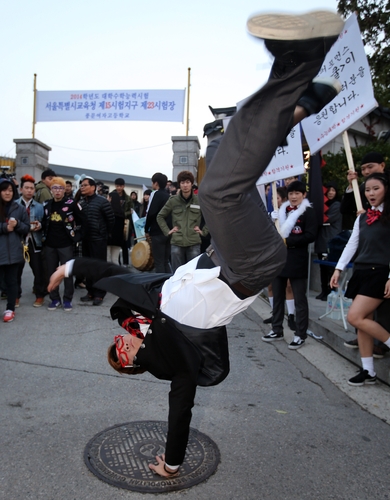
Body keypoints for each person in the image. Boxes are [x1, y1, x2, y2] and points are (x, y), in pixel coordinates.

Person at [48, 9, 344, 477]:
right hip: (246, 268)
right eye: (120, 357)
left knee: (219, 152)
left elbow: (112, 275)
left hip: (223, 253)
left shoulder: (148, 303)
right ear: (131, 366)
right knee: (219, 191)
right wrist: (172, 461)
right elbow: (180, 409)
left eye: (117, 346)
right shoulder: (171, 362)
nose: (120, 346)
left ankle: (299, 92)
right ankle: (303, 67)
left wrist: (67, 270)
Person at [330, 172, 390, 386]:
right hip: (361, 271)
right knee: (364, 323)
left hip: (380, 272)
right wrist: (338, 269)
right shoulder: (363, 217)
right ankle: (369, 371)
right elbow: (352, 244)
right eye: (367, 190)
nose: (371, 193)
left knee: (355, 317)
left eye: (376, 188)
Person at [262, 181, 318, 348]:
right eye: (291, 194)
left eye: (297, 194)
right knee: (277, 295)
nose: (294, 197)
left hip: (297, 259)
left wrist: (289, 241)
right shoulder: (281, 211)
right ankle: (276, 329)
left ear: (303, 195)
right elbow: (271, 234)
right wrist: (271, 221)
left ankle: (300, 334)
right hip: (279, 259)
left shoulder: (308, 212)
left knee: (300, 299)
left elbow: (310, 235)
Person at [42, 177, 84, 311]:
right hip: (50, 245)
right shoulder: (47, 204)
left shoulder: (71, 203)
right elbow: (44, 223)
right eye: (55, 188)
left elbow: (83, 220)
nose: (58, 191)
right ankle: (54, 299)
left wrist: (78, 236)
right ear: (51, 189)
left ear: (64, 189)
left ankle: (67, 299)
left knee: (67, 273)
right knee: (51, 273)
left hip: (66, 244)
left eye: (60, 188)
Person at [157, 170, 208, 272]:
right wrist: (168, 231)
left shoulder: (199, 200)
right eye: (182, 182)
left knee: (193, 274)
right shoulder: (173, 201)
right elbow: (160, 216)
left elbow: (211, 216)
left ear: (192, 184)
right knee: (177, 274)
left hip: (194, 241)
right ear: (179, 184)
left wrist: (204, 231)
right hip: (177, 242)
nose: (185, 185)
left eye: (188, 182)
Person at [79, 176, 115, 305]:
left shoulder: (102, 201)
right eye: (81, 185)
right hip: (86, 239)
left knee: (99, 268)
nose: (82, 187)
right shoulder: (82, 203)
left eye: (84, 185)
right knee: (88, 267)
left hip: (98, 239)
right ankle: (90, 292)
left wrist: (104, 233)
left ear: (93, 187)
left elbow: (111, 219)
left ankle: (99, 293)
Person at [0, 178, 30, 322]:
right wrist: (4, 228)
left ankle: (10, 309)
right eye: (5, 190)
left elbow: (26, 227)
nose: (8, 193)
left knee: (12, 282)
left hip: (14, 252)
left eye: (10, 190)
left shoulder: (19, 208)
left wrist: (17, 224)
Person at [16, 175, 47, 307]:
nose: (29, 190)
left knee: (38, 270)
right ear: (21, 189)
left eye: (31, 188)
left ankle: (40, 295)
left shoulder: (40, 206)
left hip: (35, 241)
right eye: (26, 188)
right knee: (16, 271)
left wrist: (40, 225)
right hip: (18, 242)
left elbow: (45, 223)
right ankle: (15, 296)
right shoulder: (14, 205)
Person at [314, 182, 342, 300]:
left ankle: (331, 291)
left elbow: (327, 219)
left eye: (333, 190)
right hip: (322, 239)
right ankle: (323, 291)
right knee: (322, 267)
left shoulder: (336, 205)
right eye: (329, 190)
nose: (331, 193)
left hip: (331, 240)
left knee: (330, 268)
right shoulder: (322, 204)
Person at [145, 173, 171, 273]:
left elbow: (151, 213)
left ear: (156, 183)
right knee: (165, 261)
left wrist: (146, 229)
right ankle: (170, 283)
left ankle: (160, 286)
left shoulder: (156, 194)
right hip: (168, 231)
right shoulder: (168, 196)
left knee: (159, 262)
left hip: (157, 231)